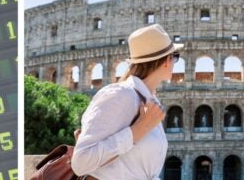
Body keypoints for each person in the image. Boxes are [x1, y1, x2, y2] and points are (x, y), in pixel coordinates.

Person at [72, 24, 184, 180]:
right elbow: (81, 163)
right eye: (175, 57)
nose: (174, 63)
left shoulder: (148, 100)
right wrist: (138, 130)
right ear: (166, 60)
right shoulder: (120, 95)